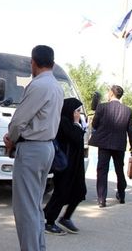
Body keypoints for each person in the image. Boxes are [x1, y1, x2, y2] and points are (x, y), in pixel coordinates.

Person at [3, 45, 64, 251]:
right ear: (53, 64)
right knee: (35, 206)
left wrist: (11, 139)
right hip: (46, 148)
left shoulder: (38, 85)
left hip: (31, 150)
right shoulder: (57, 86)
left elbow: (18, 121)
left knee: (25, 209)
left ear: (33, 62)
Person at [43, 98, 87, 235]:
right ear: (69, 110)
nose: (78, 115)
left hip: (75, 166)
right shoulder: (63, 122)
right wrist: (77, 125)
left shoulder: (73, 123)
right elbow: (76, 137)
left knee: (79, 192)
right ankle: (49, 222)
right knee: (61, 193)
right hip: (65, 166)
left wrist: (79, 125)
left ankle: (66, 217)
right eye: (77, 111)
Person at [88, 84, 132, 208]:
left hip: (104, 144)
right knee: (119, 170)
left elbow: (94, 124)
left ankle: (101, 199)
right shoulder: (127, 110)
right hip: (119, 145)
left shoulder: (102, 107)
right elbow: (130, 130)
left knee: (102, 171)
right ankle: (121, 195)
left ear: (111, 93)